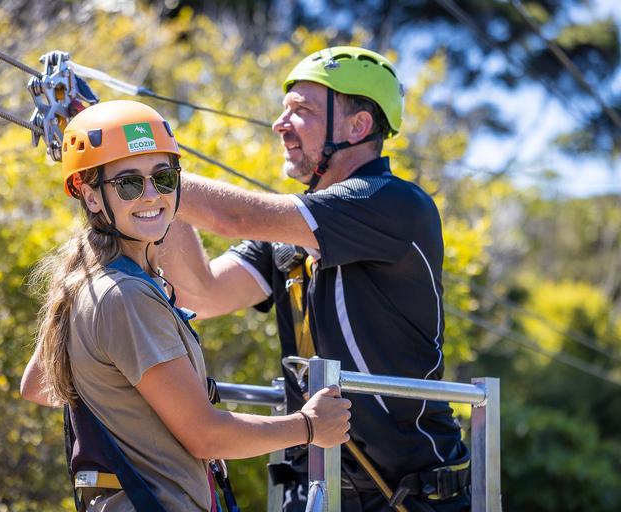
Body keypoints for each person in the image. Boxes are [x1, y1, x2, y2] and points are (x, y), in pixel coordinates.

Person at [158, 47, 471, 511]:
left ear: (357, 127)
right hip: (317, 491)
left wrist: (145, 167)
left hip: (414, 493)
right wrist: (155, 179)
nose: (280, 124)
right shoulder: (284, 238)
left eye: (300, 111)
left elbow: (234, 216)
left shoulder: (394, 203)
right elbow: (197, 294)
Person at [20, 100, 351, 512]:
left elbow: (37, 384)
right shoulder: (125, 295)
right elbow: (206, 436)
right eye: (128, 184)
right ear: (91, 197)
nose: (150, 195)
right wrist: (309, 426)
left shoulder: (86, 283)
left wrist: (131, 402)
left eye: (163, 177)